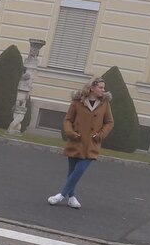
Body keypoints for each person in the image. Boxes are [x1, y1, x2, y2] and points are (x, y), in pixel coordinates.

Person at [47, 77, 114, 209]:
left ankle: (61, 195)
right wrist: (70, 132)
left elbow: (109, 122)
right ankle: (72, 198)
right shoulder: (77, 101)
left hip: (92, 144)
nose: (103, 90)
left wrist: (100, 135)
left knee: (80, 170)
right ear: (92, 88)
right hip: (76, 141)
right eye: (100, 87)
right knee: (72, 171)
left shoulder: (105, 103)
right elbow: (68, 119)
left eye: (103, 87)